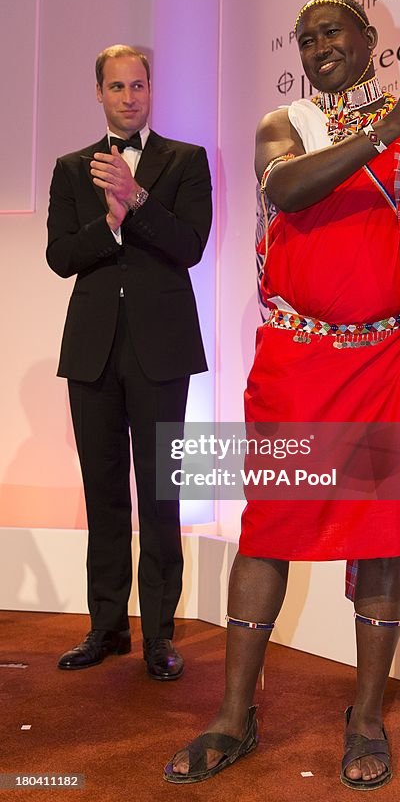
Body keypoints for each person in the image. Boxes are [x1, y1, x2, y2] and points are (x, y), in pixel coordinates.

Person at [163, 0, 400, 786]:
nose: (318, 44)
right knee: (268, 532)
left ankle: (364, 719)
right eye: (306, 36)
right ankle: (235, 716)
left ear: (371, 40)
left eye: (333, 30)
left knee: (383, 536)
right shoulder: (288, 122)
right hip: (296, 366)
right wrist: (388, 125)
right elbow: (288, 189)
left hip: (387, 367)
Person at [47, 44, 212, 680]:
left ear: (151, 88)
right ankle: (107, 628)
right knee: (104, 493)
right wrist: (109, 226)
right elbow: (61, 256)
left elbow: (190, 246)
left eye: (138, 84)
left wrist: (138, 200)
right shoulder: (70, 168)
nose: (129, 96)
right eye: (116, 86)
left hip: (161, 348)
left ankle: (160, 637)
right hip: (91, 349)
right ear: (99, 93)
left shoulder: (185, 160)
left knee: (161, 494)